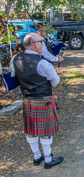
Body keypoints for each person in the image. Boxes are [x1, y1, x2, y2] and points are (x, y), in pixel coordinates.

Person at [12, 33, 64, 169]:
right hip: (43, 100)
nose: (42, 45)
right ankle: (48, 160)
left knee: (31, 130)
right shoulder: (42, 63)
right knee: (45, 132)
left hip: (28, 100)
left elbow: (13, 76)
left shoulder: (15, 59)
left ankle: (36, 157)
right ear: (35, 44)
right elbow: (56, 81)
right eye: (41, 42)